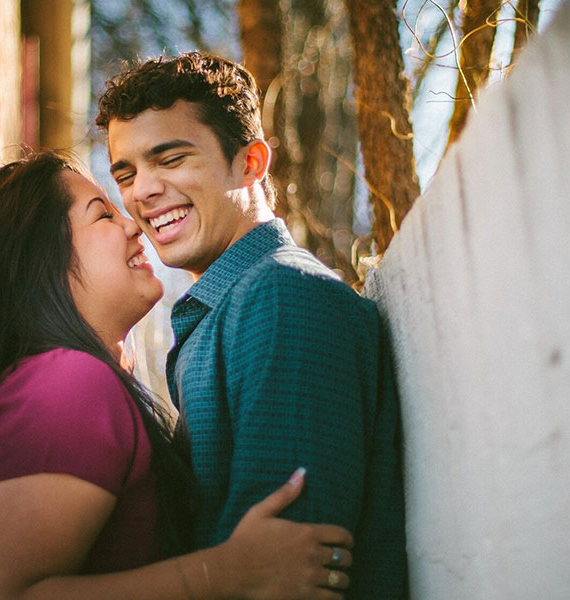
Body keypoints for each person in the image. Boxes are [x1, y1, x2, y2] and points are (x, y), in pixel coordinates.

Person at [0, 150, 356, 600]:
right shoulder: (66, 383)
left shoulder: (59, 384)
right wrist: (227, 573)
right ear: (38, 259)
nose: (133, 225)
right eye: (102, 215)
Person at [96, 51, 407, 599]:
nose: (141, 190)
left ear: (251, 163)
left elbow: (286, 570)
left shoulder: (283, 298)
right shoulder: (227, 309)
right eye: (127, 172)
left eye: (169, 158)